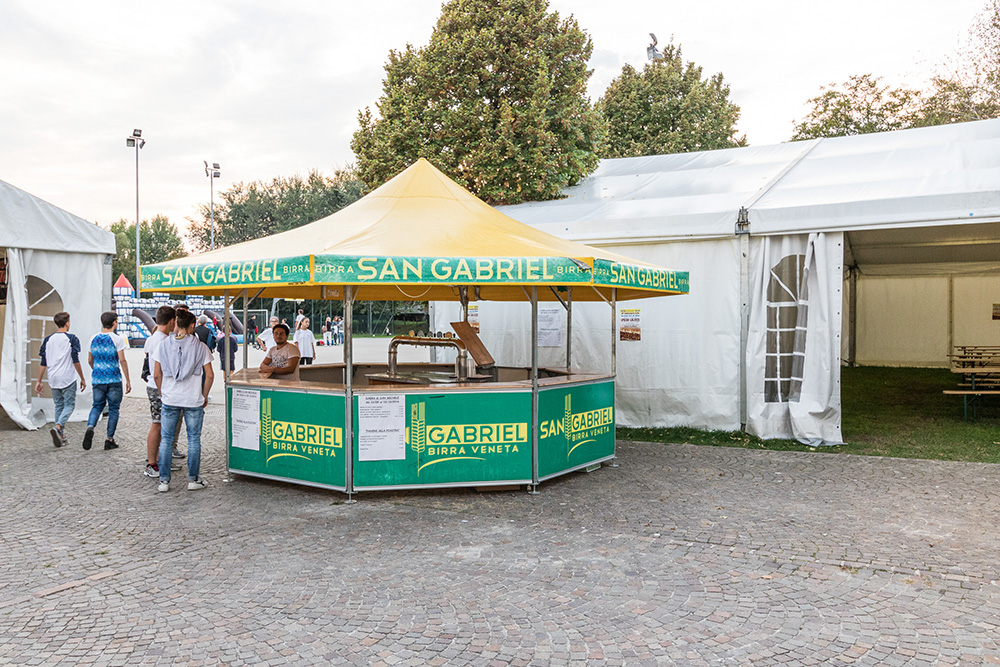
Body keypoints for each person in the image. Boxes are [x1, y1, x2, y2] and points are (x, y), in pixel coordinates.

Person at [153, 309, 213, 492]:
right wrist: (204, 395)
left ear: (176, 324)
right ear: (192, 325)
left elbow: (156, 374)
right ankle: (193, 479)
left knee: (166, 439)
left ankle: (164, 481)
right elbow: (210, 375)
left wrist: (163, 392)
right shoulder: (201, 347)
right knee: (194, 439)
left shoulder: (162, 345)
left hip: (170, 398)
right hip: (193, 399)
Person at [34, 311, 86, 447]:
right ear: (67, 323)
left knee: (59, 406)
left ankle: (61, 436)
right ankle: (58, 427)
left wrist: (39, 380)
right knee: (69, 405)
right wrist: (82, 377)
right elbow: (75, 360)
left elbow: (43, 362)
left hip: (53, 378)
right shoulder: (72, 339)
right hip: (68, 377)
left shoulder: (48, 340)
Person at [83, 311, 131, 450]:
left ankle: (90, 426)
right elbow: (122, 360)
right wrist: (128, 380)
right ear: (114, 322)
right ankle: (109, 439)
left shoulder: (93, 339)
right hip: (114, 378)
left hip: (98, 379)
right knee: (114, 409)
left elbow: (90, 360)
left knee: (97, 405)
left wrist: (97, 370)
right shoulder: (117, 339)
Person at [142, 305, 177, 478]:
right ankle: (152, 463)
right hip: (159, 387)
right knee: (157, 424)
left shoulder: (152, 338)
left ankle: (161, 460)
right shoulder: (162, 341)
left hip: (155, 385)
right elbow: (157, 372)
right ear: (171, 321)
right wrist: (163, 392)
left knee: (162, 425)